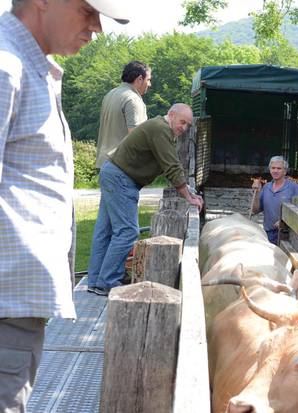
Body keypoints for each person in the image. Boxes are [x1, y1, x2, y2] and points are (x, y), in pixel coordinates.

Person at [0, 0, 129, 410]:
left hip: (16, 305)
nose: (97, 27)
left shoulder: (30, 66)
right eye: (87, 10)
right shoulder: (7, 67)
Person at [87, 103, 203, 296]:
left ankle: (96, 280)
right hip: (121, 178)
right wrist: (188, 197)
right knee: (127, 231)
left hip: (113, 173)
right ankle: (107, 281)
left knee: (105, 231)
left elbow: (168, 166)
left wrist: (189, 190)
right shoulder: (161, 130)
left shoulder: (160, 129)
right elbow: (172, 166)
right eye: (182, 122)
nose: (184, 128)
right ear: (171, 115)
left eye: (188, 125)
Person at [96, 60, 151, 168]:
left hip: (105, 164)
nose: (150, 84)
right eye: (148, 80)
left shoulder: (110, 94)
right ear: (140, 79)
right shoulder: (133, 99)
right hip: (123, 167)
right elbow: (136, 138)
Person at [251, 156, 298, 245]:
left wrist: (284, 221)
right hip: (268, 234)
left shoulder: (293, 187)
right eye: (273, 168)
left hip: (287, 235)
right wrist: (257, 193)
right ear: (270, 169)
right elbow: (254, 210)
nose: (275, 171)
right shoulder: (266, 187)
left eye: (279, 168)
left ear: (285, 171)